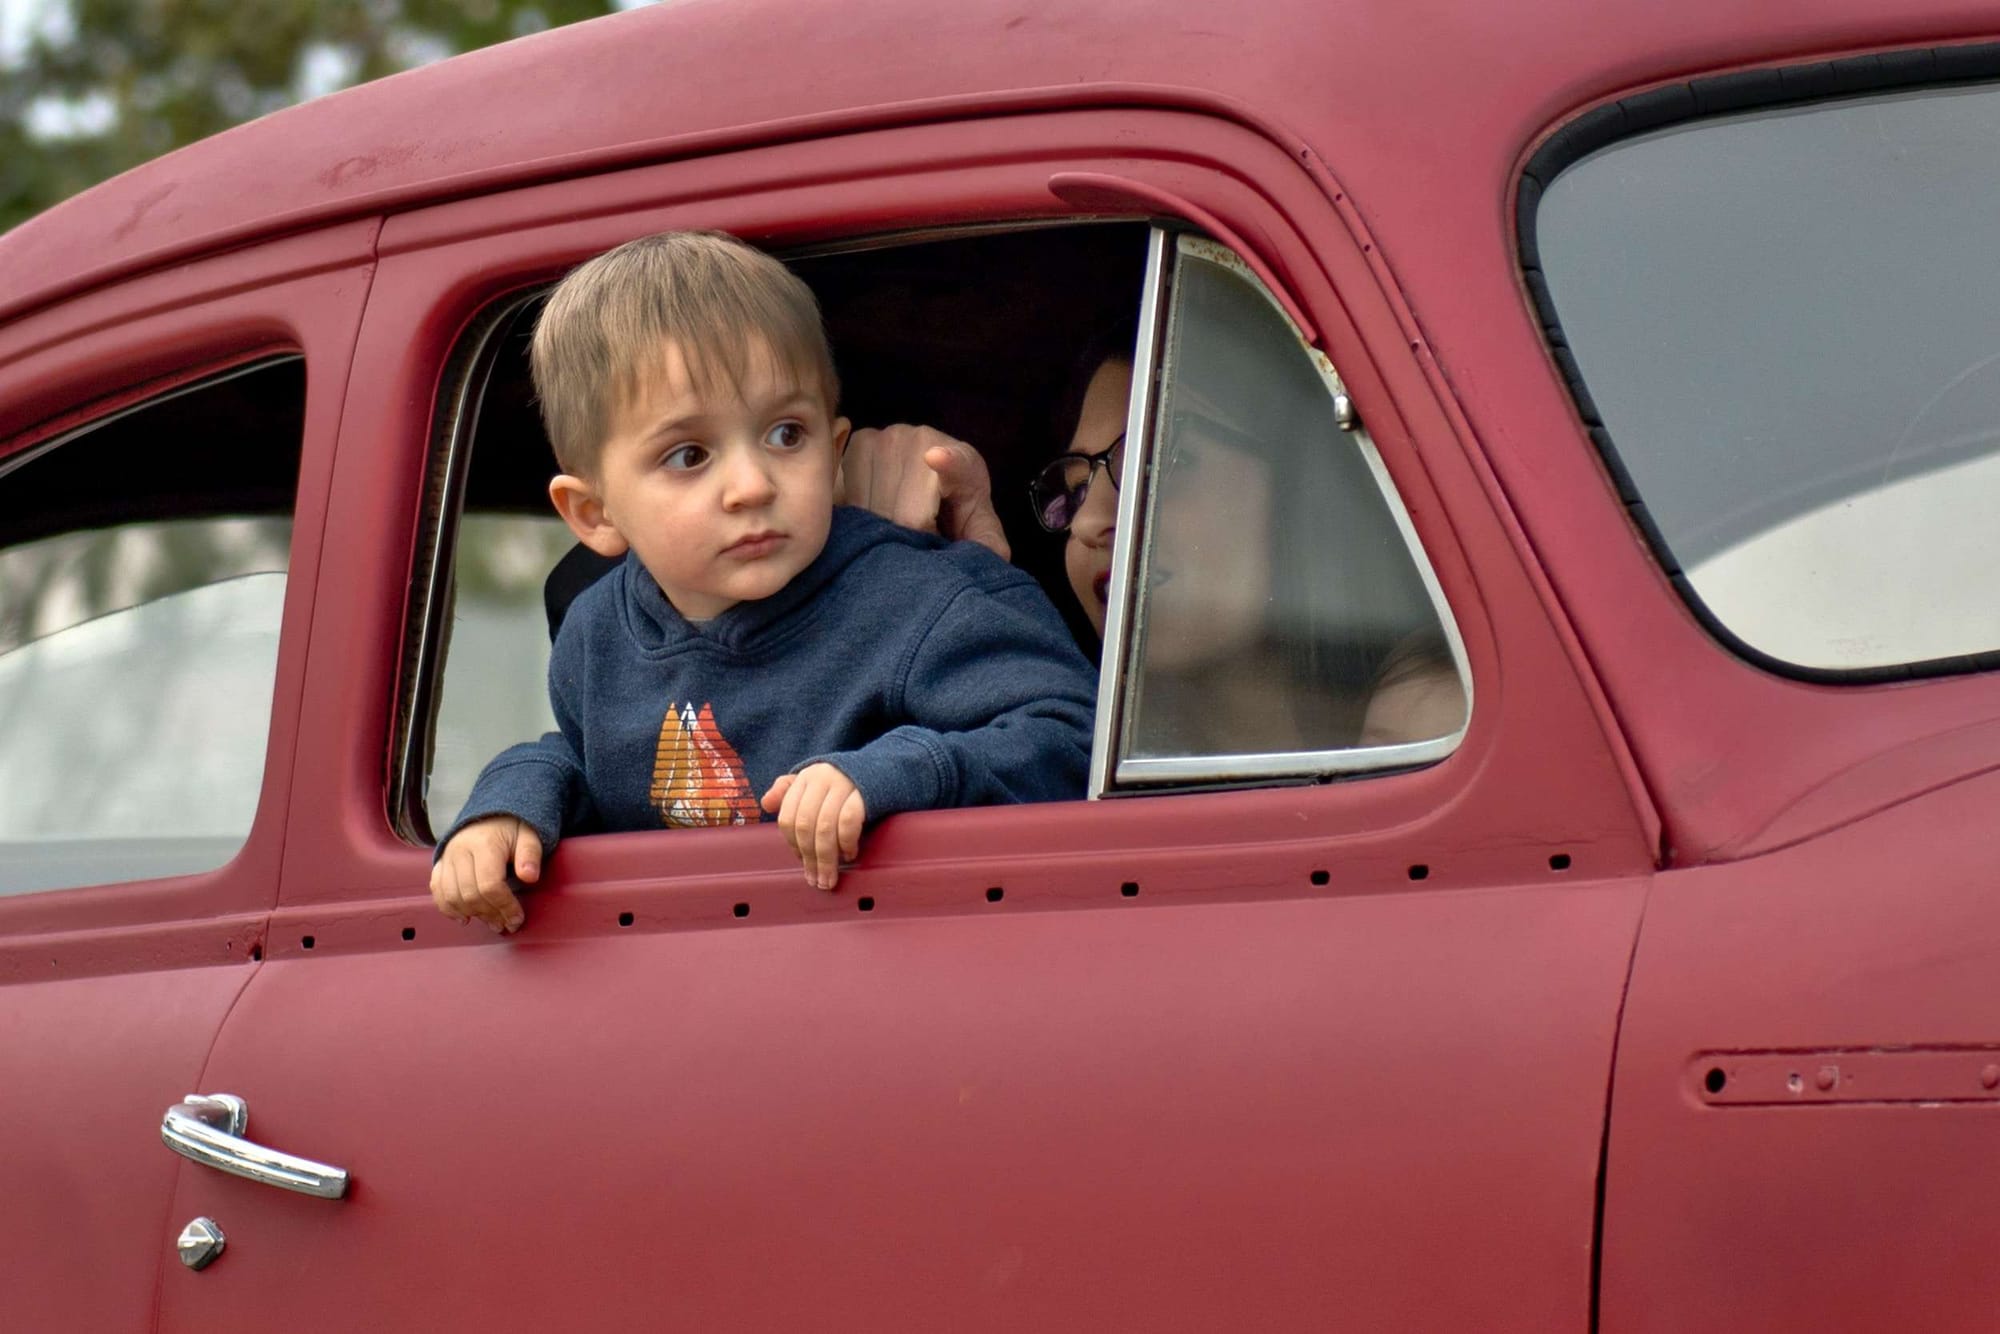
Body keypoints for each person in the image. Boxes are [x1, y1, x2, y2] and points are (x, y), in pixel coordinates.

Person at [430, 230, 1096, 932]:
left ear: (833, 454)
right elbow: (592, 759)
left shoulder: (925, 600)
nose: (752, 485)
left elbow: (1073, 738)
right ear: (594, 514)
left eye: (786, 435)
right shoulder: (595, 638)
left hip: (904, 960)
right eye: (689, 454)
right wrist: (507, 807)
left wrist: (896, 773)